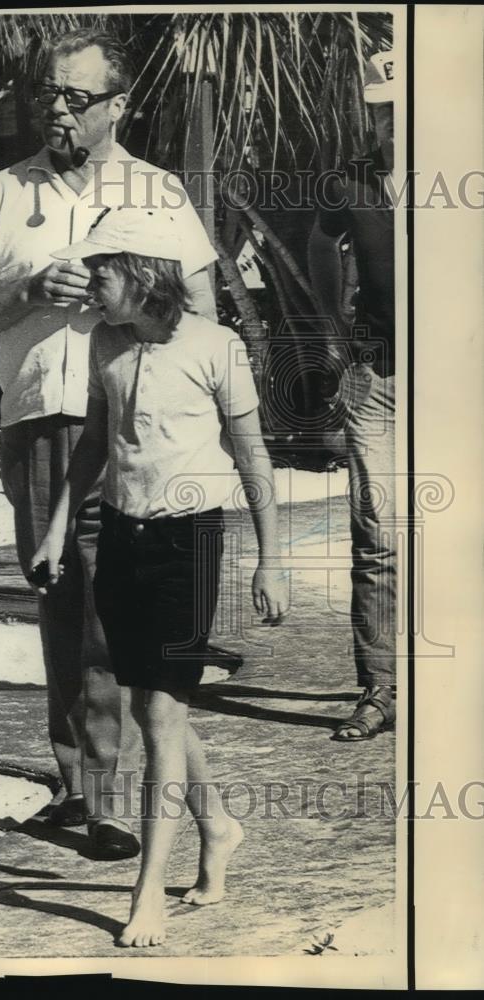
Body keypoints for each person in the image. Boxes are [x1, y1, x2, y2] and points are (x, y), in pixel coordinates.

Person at [0, 28, 218, 858]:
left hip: (136, 423)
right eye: (47, 93)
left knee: (119, 609)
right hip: (40, 419)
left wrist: (131, 317)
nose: (56, 109)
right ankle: (80, 787)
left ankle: (109, 798)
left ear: (117, 105)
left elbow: (203, 316)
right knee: (61, 600)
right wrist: (27, 290)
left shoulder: (158, 192)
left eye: (76, 96)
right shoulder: (2, 191)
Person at [32, 206, 288, 947]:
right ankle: (217, 827)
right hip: (120, 539)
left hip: (188, 544)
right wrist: (56, 528)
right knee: (154, 707)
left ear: (142, 275)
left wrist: (271, 560)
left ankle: (147, 892)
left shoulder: (217, 346)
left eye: (100, 272)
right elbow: (93, 445)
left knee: (161, 715)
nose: (88, 285)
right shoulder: (103, 341)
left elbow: (253, 456)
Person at [308, 50, 396, 741]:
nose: (395, 120)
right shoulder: (353, 180)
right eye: (384, 108)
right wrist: (335, 331)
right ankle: (381, 690)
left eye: (406, 107)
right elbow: (320, 242)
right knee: (376, 536)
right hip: (378, 379)